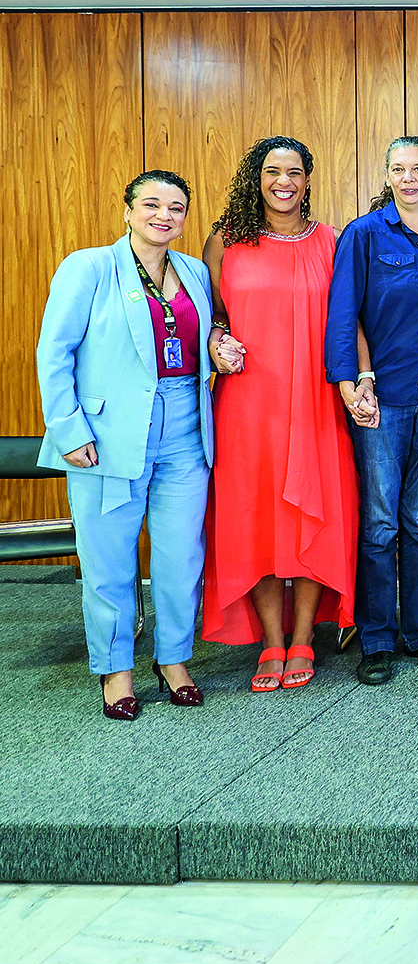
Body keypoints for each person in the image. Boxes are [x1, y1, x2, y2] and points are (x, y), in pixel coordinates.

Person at [37, 170, 234, 720]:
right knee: (109, 560)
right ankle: (116, 669)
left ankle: (173, 659)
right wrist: (69, 430)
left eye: (176, 208)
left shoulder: (195, 270)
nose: (163, 216)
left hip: (185, 432)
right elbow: (54, 354)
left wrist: (221, 346)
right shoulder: (90, 268)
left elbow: (203, 334)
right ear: (127, 210)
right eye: (151, 204)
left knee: (179, 558)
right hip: (109, 435)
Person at [201, 136, 358, 694]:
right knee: (258, 519)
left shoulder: (332, 241)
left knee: (315, 514)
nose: (283, 181)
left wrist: (358, 379)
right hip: (249, 405)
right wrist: (218, 342)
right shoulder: (226, 243)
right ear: (256, 177)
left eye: (294, 171)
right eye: (272, 171)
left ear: (309, 180)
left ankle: (304, 638)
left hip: (316, 400)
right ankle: (271, 640)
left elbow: (349, 320)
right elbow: (209, 319)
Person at [325, 135, 418, 685]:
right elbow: (345, 312)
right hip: (380, 400)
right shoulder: (364, 235)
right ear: (387, 176)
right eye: (397, 169)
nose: (408, 178)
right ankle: (377, 638)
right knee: (381, 522)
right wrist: (348, 381)